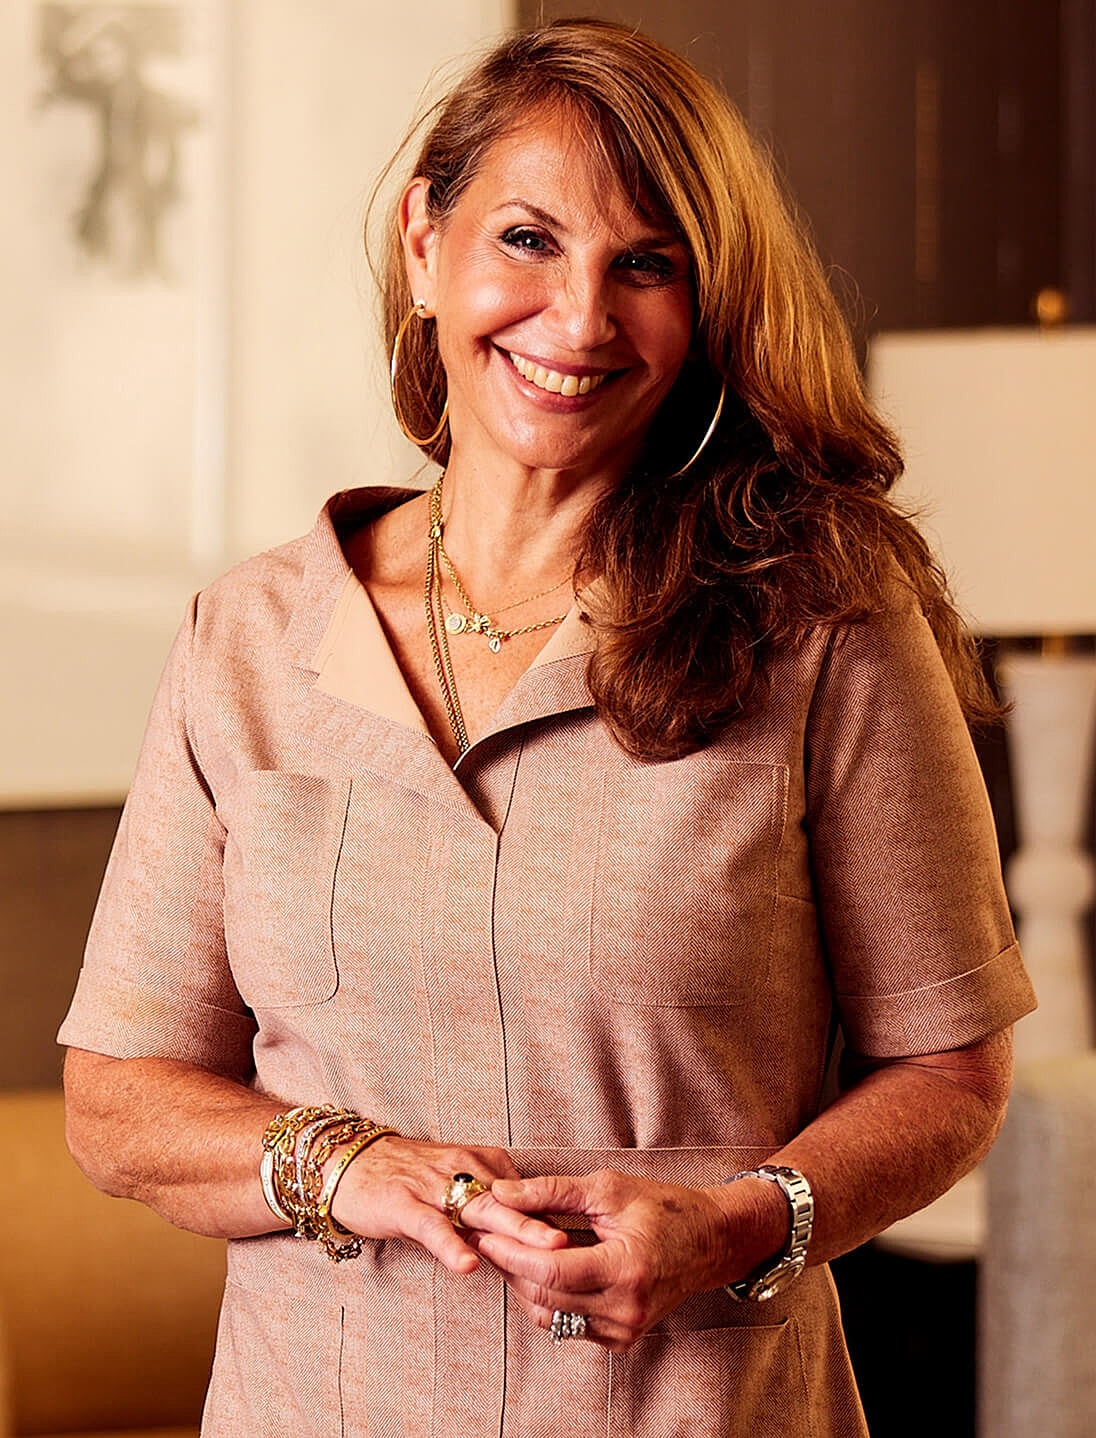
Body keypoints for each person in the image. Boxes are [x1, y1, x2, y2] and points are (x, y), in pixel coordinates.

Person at [60, 18, 1035, 1437]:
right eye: (527, 239)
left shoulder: (824, 620)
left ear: (703, 308)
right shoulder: (249, 638)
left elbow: (952, 1070)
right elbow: (117, 1096)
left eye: (646, 265)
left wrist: (738, 1223)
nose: (579, 319)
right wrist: (343, 1164)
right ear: (422, 242)